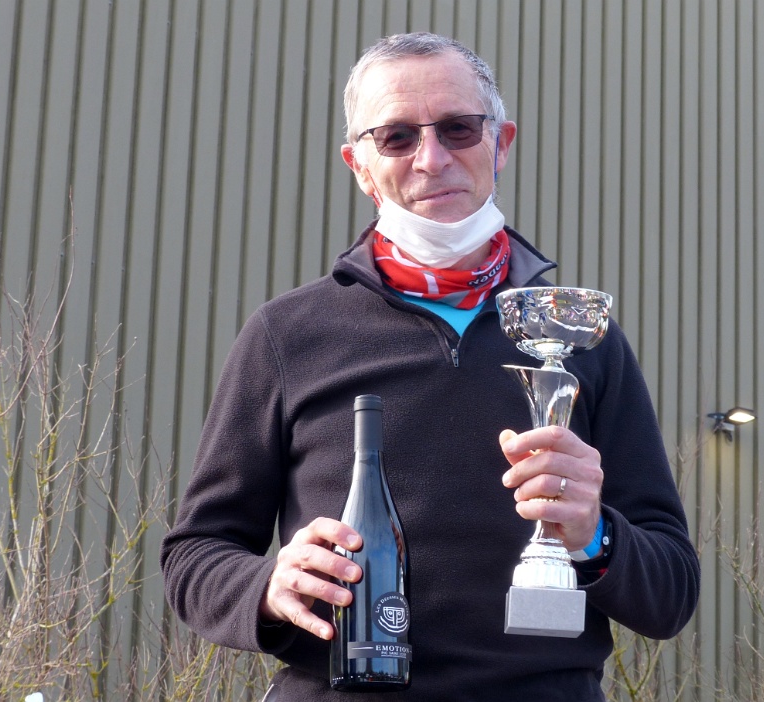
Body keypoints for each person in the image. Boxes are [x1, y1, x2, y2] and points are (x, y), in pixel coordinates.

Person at [160, 32, 699, 701]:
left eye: (458, 128)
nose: (431, 158)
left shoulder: (582, 340)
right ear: (359, 165)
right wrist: (267, 585)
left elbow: (671, 593)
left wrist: (596, 535)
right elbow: (194, 558)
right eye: (395, 137)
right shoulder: (286, 335)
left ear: (501, 144)